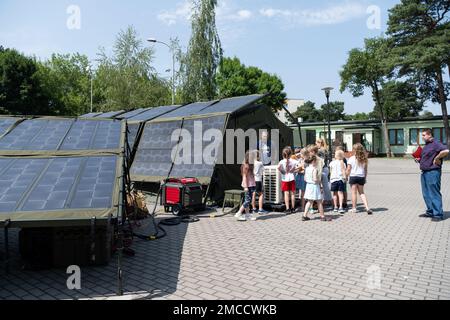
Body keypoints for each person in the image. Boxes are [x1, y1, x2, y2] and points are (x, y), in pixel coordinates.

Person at [417, 129, 449, 221]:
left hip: (433, 172)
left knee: (434, 193)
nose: (422, 137)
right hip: (424, 172)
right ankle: (430, 211)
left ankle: (438, 214)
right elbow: (426, 157)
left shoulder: (436, 143)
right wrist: (419, 159)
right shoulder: (427, 145)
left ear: (429, 135)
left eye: (423, 135)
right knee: (426, 194)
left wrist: (438, 157)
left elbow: (446, 150)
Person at [302, 155, 331, 222]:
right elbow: (315, 179)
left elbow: (305, 179)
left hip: (308, 186)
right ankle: (322, 216)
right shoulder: (314, 169)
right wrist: (319, 181)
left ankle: (304, 215)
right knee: (319, 201)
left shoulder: (307, 169)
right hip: (314, 186)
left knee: (309, 201)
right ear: (313, 161)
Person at [346, 143, 372, 215]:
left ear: (354, 150)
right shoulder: (364, 158)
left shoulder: (351, 158)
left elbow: (348, 169)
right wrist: (365, 178)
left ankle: (354, 208)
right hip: (361, 177)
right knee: (362, 193)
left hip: (353, 177)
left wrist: (346, 176)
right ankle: (367, 208)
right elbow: (365, 170)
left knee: (354, 193)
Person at [236, 151, 257, 221]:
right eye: (253, 157)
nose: (254, 158)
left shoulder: (251, 165)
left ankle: (247, 215)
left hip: (251, 185)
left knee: (247, 200)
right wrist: (245, 187)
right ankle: (238, 213)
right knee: (248, 200)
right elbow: (244, 176)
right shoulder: (246, 166)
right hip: (248, 186)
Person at [278, 147, 298, 214]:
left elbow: (278, 167)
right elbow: (301, 165)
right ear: (291, 154)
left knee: (286, 194)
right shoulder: (293, 161)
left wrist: (283, 171)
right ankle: (293, 208)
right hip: (292, 178)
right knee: (293, 194)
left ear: (283, 154)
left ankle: (287, 208)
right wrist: (294, 170)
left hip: (284, 179)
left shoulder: (281, 161)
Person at [315, 139, 333, 207]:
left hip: (322, 169)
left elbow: (321, 161)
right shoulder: (325, 149)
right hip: (325, 168)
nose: (316, 144)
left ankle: (325, 200)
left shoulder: (320, 151)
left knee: (322, 186)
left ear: (319, 143)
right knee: (325, 186)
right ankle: (328, 200)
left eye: (316, 143)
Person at [329, 150, 347, 214]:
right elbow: (343, 171)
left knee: (334, 194)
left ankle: (335, 206)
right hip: (340, 179)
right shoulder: (343, 163)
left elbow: (330, 171)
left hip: (333, 179)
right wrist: (345, 178)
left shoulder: (331, 163)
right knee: (340, 193)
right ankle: (341, 207)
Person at [253, 150, 269, 215]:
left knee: (253, 194)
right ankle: (260, 209)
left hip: (253, 180)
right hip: (258, 180)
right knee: (261, 194)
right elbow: (263, 170)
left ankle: (254, 208)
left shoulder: (252, 163)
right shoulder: (260, 163)